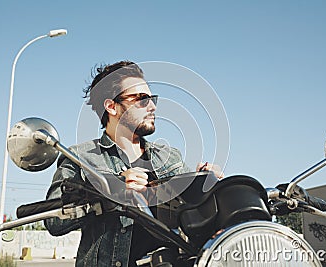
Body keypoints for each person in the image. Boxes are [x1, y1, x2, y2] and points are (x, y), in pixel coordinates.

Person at [44, 61, 223, 267]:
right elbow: (54, 221)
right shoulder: (79, 157)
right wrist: (112, 190)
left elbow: (192, 217)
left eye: (152, 99)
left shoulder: (170, 156)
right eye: (141, 100)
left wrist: (205, 186)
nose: (153, 106)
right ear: (111, 106)